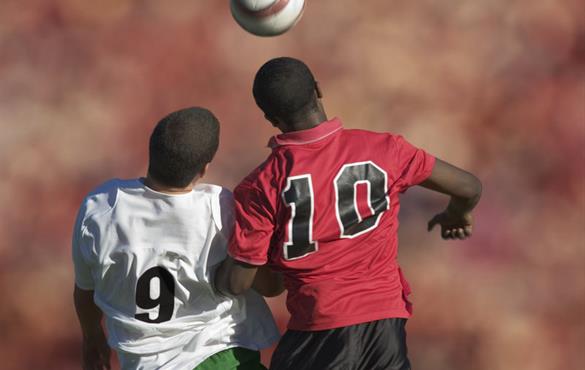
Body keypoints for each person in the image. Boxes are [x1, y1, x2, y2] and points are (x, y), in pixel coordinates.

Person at [215, 57, 482, 370]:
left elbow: (244, 283)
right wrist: (456, 215)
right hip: (385, 326)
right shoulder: (385, 149)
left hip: (317, 332)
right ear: (318, 90)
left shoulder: (260, 186)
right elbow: (468, 186)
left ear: (269, 117)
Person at [72, 107, 279, 370]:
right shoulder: (219, 207)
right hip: (219, 356)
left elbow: (85, 289)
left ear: (152, 151)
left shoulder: (100, 206)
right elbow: (268, 285)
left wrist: (92, 337)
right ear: (204, 169)